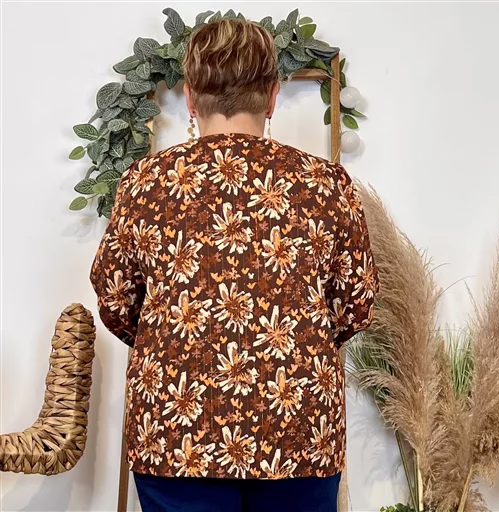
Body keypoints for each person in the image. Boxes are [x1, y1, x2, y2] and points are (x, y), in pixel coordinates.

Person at [90, 18, 379, 512]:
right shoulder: (325, 185)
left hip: (176, 435)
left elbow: (117, 302)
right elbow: (353, 304)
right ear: (271, 97)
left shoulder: (146, 183)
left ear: (191, 97)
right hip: (298, 434)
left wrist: (177, 336)